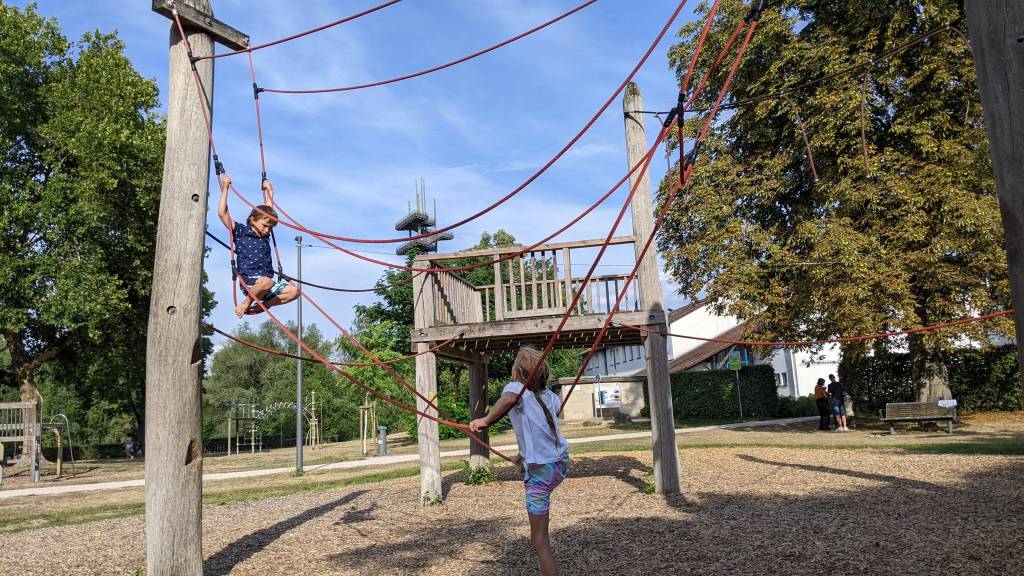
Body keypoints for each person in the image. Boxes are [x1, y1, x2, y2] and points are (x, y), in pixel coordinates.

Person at [470, 346, 569, 576]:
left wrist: (485, 421)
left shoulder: (516, 389)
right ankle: (527, 463)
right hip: (560, 463)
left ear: (517, 372)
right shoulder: (551, 396)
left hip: (542, 471)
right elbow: (539, 430)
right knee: (540, 531)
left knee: (539, 540)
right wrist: (521, 456)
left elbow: (510, 399)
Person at [217, 174, 299, 317]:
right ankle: (246, 303)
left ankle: (265, 305)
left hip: (268, 285)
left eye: (270, 228)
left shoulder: (265, 235)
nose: (267, 230)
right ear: (252, 220)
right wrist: (225, 189)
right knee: (266, 282)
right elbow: (222, 214)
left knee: (294, 291)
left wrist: (270, 192)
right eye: (265, 226)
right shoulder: (241, 231)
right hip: (251, 283)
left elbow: (269, 212)